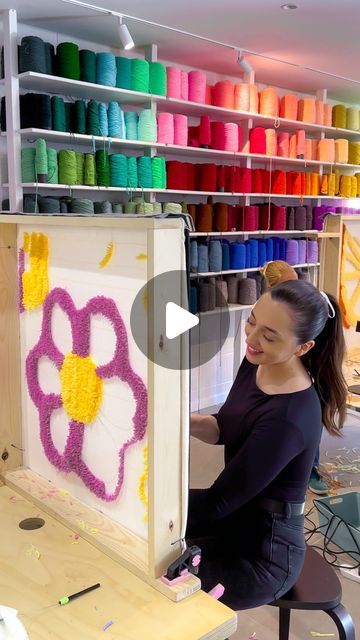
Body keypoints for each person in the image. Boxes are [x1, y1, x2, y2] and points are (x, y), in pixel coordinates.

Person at [188, 280, 347, 610]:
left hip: (262, 554)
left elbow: (218, 502)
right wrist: (176, 419)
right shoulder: (258, 361)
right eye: (252, 320)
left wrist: (156, 509)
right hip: (235, 516)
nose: (251, 337)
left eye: (269, 335)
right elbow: (224, 428)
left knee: (158, 573)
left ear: (303, 348)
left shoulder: (290, 415)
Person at [261, 261, 330, 495]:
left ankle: (310, 468)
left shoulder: (314, 305)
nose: (295, 288)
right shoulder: (269, 308)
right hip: (285, 368)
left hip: (312, 367)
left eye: (295, 281)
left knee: (309, 420)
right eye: (286, 285)